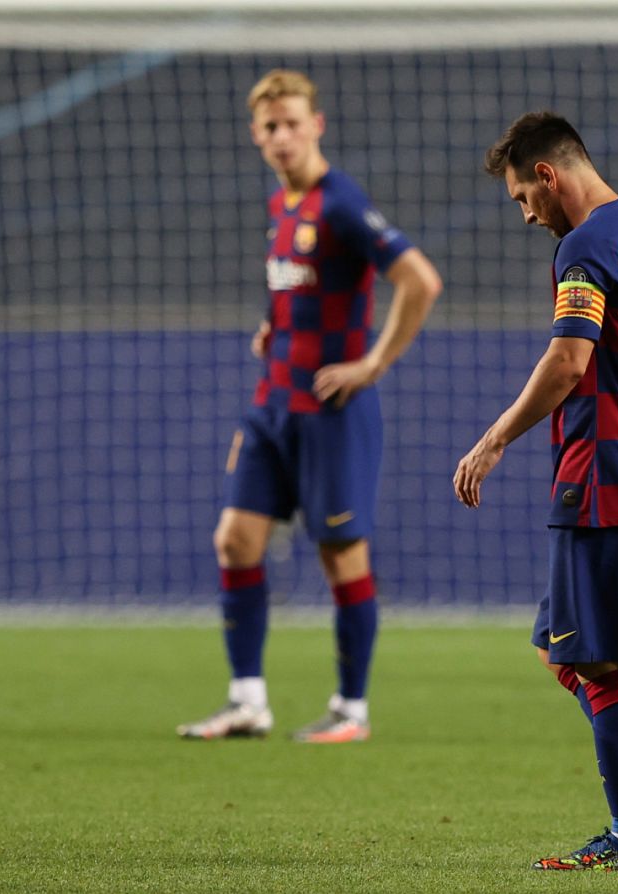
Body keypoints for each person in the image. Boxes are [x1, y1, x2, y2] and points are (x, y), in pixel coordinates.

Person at [455, 111, 618, 870]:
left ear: (546, 175)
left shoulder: (586, 243)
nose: (526, 215)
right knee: (557, 645)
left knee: (602, 665)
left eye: (521, 199)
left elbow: (569, 361)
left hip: (606, 481)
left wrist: (494, 436)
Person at [177, 69, 441, 743]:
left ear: (316, 126)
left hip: (332, 408)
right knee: (234, 539)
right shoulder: (279, 206)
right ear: (256, 135)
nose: (282, 135)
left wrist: (373, 364)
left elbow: (420, 279)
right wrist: (273, 325)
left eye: (293, 122)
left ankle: (351, 709)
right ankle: (247, 700)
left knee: (339, 556)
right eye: (270, 126)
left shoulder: (341, 202)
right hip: (273, 405)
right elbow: (295, 287)